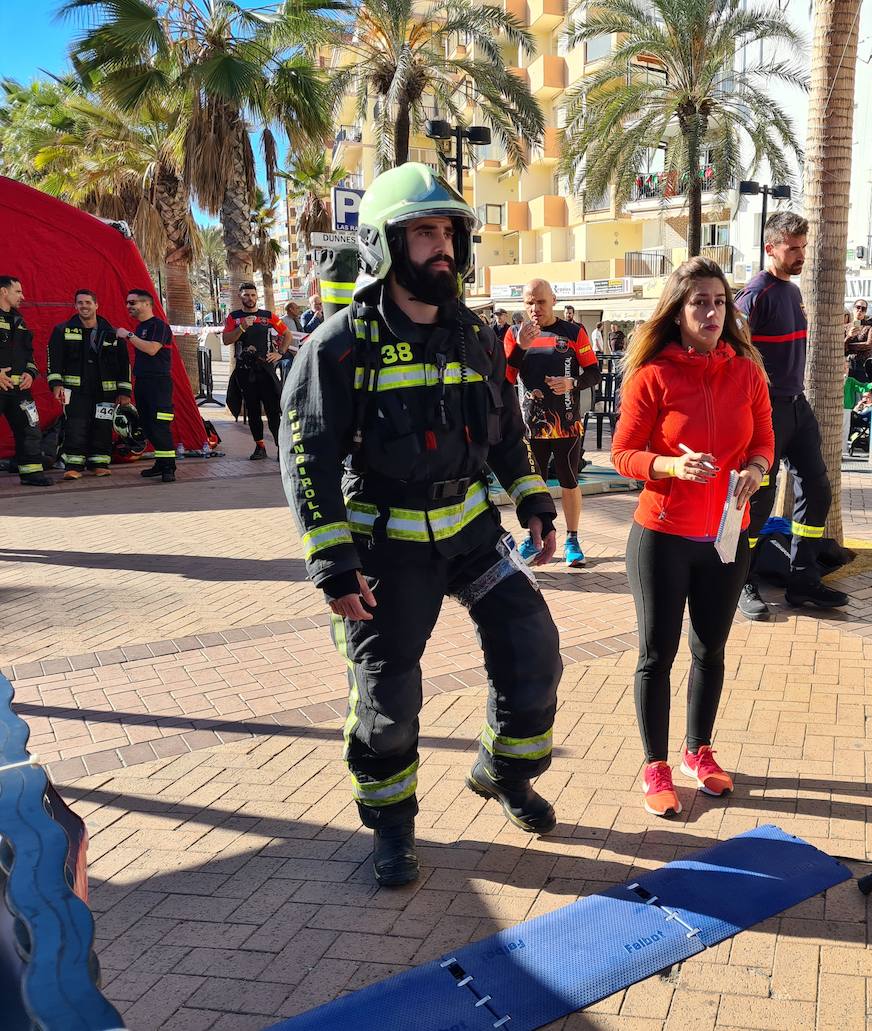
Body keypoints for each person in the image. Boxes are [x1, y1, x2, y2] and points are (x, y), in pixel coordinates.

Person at [279, 163, 563, 885]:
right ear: (385, 245)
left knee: (532, 647)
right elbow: (307, 455)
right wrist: (333, 563)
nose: (442, 247)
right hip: (387, 548)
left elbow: (505, 434)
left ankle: (505, 772)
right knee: (388, 698)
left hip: (472, 536)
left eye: (448, 233)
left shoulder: (477, 337)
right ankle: (392, 825)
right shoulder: (340, 346)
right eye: (424, 233)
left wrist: (533, 499)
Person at [610, 257, 772, 818]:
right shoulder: (653, 374)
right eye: (699, 302)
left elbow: (765, 441)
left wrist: (756, 469)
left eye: (719, 302)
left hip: (726, 536)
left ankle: (697, 752)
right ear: (677, 311)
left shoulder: (746, 371)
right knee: (657, 654)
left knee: (710, 649)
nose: (711, 312)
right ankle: (655, 764)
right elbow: (623, 455)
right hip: (662, 536)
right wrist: (671, 467)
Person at [733, 211, 847, 618]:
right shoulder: (754, 295)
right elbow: (732, 355)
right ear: (771, 248)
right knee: (758, 500)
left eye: (803, 247)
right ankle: (741, 582)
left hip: (797, 406)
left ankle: (802, 579)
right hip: (765, 411)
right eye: (793, 248)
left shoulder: (792, 290)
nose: (801, 255)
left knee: (817, 489)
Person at [505, 279, 601, 568]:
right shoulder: (514, 333)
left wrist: (572, 382)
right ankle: (533, 537)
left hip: (566, 423)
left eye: (541, 302)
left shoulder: (573, 331)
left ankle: (572, 539)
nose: (535, 308)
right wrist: (520, 347)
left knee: (569, 480)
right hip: (531, 425)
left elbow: (594, 373)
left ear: (554, 301)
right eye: (530, 303)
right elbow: (505, 377)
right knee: (533, 484)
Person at [47, 289, 131, 479]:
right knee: (75, 426)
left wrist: (124, 391)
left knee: (103, 425)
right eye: (80, 303)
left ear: (96, 305)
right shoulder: (62, 330)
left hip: (105, 392)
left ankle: (99, 463)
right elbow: (54, 359)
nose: (84, 306)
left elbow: (124, 364)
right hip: (74, 391)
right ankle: (73, 466)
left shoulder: (112, 333)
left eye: (88, 302)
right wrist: (56, 384)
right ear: (75, 306)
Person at [223, 282, 291, 460]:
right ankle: (260, 447)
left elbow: (287, 334)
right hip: (245, 371)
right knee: (252, 411)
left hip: (266, 370)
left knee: (273, 411)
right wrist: (242, 327)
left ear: (257, 296)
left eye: (253, 295)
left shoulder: (267, 316)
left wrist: (280, 353)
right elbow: (226, 340)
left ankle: (280, 448)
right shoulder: (234, 317)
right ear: (240, 296)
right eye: (246, 295)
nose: (250, 298)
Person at [0, 276, 53, 487]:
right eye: (18, 291)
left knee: (30, 429)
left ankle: (31, 473)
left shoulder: (19, 321)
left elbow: (29, 355)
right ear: (3, 292)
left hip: (20, 391)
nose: (22, 296)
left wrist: (30, 374)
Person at [120, 288, 177, 483]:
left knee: (160, 424)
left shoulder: (159, 326)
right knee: (147, 424)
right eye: (127, 303)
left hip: (159, 384)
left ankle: (169, 467)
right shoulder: (140, 327)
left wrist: (128, 335)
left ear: (146, 304)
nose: (128, 306)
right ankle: (161, 463)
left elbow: (152, 349)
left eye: (132, 303)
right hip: (143, 382)